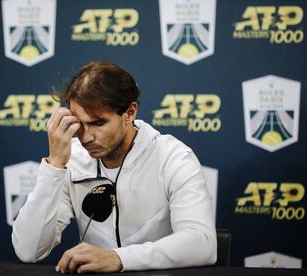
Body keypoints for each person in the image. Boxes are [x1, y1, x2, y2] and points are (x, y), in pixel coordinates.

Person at [12, 61, 217, 273]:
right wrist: (54, 166)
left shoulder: (173, 158)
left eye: (98, 123)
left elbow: (202, 244)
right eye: (79, 124)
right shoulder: (70, 159)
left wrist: (119, 258)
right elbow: (28, 251)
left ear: (130, 113)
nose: (86, 137)